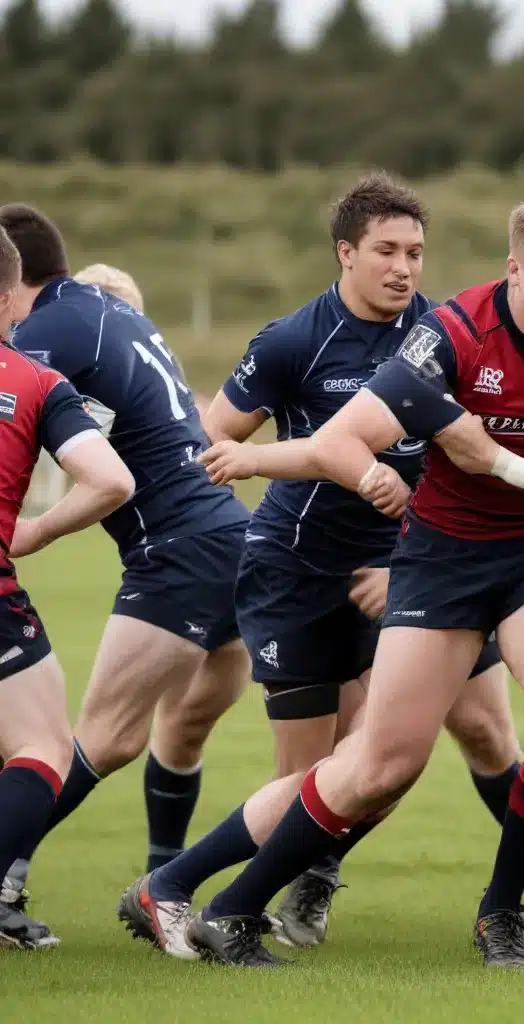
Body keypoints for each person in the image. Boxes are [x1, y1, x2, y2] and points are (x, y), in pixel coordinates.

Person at [143, 186, 524, 969]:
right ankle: (219, 899)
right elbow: (349, 439)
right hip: (439, 557)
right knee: (381, 764)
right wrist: (365, 475)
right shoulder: (451, 334)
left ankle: (501, 911)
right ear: (513, 269)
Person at [142, 171, 524, 949]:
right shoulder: (294, 341)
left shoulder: (449, 336)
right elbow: (215, 444)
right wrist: (345, 467)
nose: (404, 268)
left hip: (419, 571)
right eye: (386, 250)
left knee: (467, 737)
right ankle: (203, 894)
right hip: (300, 573)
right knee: (323, 775)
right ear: (345, 253)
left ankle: (506, 896)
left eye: (416, 252)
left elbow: (481, 449)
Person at [0, 204, 252, 946]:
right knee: (183, 724)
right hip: (228, 533)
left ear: (14, 282)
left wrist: (35, 529)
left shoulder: (41, 332)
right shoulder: (102, 310)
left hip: (179, 547)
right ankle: (163, 882)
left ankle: (10, 880)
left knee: (96, 738)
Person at [0, 226, 136, 946]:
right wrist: (40, 529)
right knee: (45, 746)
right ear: (9, 302)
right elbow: (113, 479)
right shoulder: (32, 380)